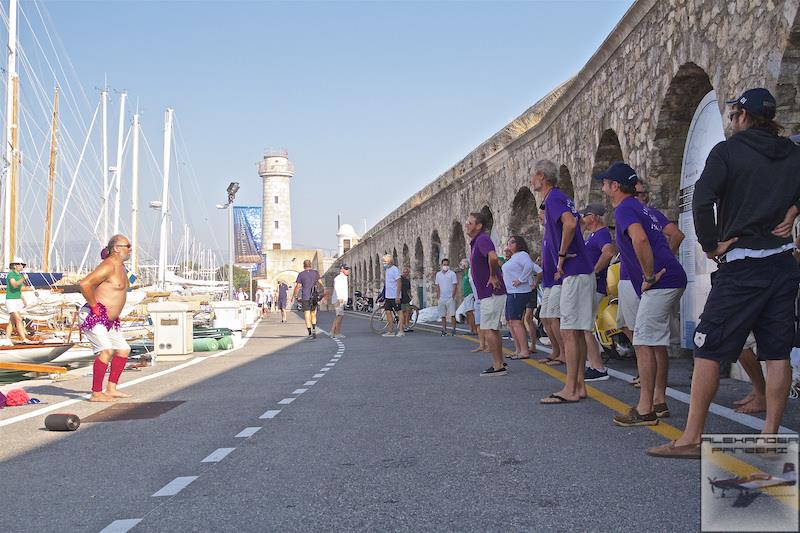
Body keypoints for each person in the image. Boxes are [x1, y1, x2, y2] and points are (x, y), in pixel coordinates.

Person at [649, 88, 800, 458]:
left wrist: (710, 245)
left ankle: (691, 438)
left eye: (734, 115)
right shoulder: (793, 153)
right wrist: (794, 210)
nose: (732, 121)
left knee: (708, 348)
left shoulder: (727, 152)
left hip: (742, 266)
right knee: (777, 352)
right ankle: (769, 438)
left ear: (744, 117)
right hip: (783, 264)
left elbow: (702, 200)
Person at [598, 162, 687, 426]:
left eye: (604, 183)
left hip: (662, 282)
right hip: (671, 278)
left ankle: (645, 409)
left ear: (615, 186)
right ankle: (657, 402)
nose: (603, 187)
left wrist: (649, 275)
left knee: (644, 341)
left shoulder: (625, 208)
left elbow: (640, 239)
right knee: (653, 341)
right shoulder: (640, 208)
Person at [533, 159, 596, 403]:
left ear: (541, 176)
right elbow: (575, 222)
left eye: (533, 176)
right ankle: (578, 386)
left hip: (575, 272)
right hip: (576, 272)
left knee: (569, 331)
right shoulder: (558, 198)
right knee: (575, 331)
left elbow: (570, 223)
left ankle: (570, 388)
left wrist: (560, 256)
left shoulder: (553, 198)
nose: (532, 180)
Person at [78, 235, 133, 402]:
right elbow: (84, 284)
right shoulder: (108, 265)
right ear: (116, 248)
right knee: (106, 351)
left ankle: (111, 388)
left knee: (123, 350)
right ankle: (96, 392)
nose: (130, 249)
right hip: (93, 316)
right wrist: (95, 307)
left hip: (110, 321)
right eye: (127, 246)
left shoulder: (121, 267)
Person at [466, 212, 508, 376]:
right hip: (488, 293)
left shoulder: (482, 239)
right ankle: (500, 361)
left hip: (490, 292)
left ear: (479, 226)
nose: (467, 225)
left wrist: (492, 275)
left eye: (470, 223)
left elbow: (492, 257)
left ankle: (498, 365)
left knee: (489, 328)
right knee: (493, 328)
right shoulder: (477, 242)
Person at [580, 203, 616, 381]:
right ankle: (592, 363)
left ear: (592, 216)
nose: (583, 220)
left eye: (585, 216)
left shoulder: (601, 233)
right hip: (591, 285)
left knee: (586, 326)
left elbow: (608, 252)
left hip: (594, 285)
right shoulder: (593, 235)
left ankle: (598, 367)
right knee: (584, 325)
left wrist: (594, 272)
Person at [536, 207, 565, 367]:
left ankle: (564, 352)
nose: (539, 216)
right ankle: (555, 350)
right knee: (545, 317)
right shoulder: (547, 233)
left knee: (554, 317)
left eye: (541, 213)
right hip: (547, 281)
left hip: (557, 280)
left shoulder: (556, 231)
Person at [501, 235, 536, 359]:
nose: (509, 245)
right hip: (511, 292)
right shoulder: (513, 258)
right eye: (508, 242)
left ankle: (524, 351)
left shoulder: (522, 255)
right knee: (510, 322)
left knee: (516, 322)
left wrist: (521, 280)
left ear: (519, 244)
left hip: (519, 292)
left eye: (512, 242)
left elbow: (530, 267)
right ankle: (518, 349)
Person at [4, 257, 34, 344]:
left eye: (22, 264)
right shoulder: (11, 275)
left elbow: (20, 288)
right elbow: (14, 285)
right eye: (19, 264)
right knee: (18, 319)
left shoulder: (19, 275)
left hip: (17, 300)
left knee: (12, 322)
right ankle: (24, 338)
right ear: (14, 266)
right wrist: (23, 279)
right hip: (11, 300)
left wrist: (24, 298)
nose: (21, 266)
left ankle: (7, 339)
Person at [293, 260, 325, 339]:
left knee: (307, 314)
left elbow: (298, 286)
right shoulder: (315, 273)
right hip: (314, 296)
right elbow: (320, 283)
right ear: (310, 265)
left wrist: (295, 295)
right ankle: (314, 329)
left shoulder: (301, 274)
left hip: (305, 297)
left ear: (304, 266)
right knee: (313, 313)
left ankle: (310, 332)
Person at [434, 258, 458, 336]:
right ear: (441, 265)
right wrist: (438, 296)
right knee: (443, 315)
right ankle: (444, 330)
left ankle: (453, 329)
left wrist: (453, 296)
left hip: (450, 298)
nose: (446, 266)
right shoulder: (438, 274)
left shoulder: (452, 274)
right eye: (444, 264)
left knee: (452, 315)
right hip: (442, 298)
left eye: (447, 264)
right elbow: (437, 286)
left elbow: (455, 285)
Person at [381, 254, 402, 337]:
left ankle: (401, 330)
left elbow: (399, 282)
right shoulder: (387, 270)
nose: (384, 263)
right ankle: (390, 331)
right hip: (388, 296)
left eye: (385, 261)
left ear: (390, 261)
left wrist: (397, 296)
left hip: (394, 295)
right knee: (387, 312)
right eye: (383, 261)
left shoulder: (395, 270)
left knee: (399, 312)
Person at [331, 264, 350, 339]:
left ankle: (332, 331)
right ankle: (337, 333)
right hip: (339, 299)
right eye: (346, 269)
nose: (347, 270)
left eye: (348, 269)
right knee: (340, 315)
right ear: (341, 269)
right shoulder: (339, 278)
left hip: (341, 299)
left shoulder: (344, 277)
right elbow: (337, 288)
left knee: (338, 316)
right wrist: (340, 299)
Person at [460, 259, 478, 335]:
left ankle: (474, 330)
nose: (461, 266)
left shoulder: (469, 272)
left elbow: (473, 283)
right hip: (466, 295)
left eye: (462, 264)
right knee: (468, 312)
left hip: (470, 294)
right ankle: (471, 329)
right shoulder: (464, 274)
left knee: (470, 312)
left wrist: (474, 294)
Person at [398, 266, 413, 333]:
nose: (405, 273)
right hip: (401, 297)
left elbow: (408, 290)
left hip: (406, 298)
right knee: (403, 313)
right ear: (402, 272)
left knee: (407, 312)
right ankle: (403, 325)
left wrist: (410, 296)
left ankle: (407, 325)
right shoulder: (399, 279)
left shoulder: (407, 281)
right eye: (404, 272)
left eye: (407, 272)